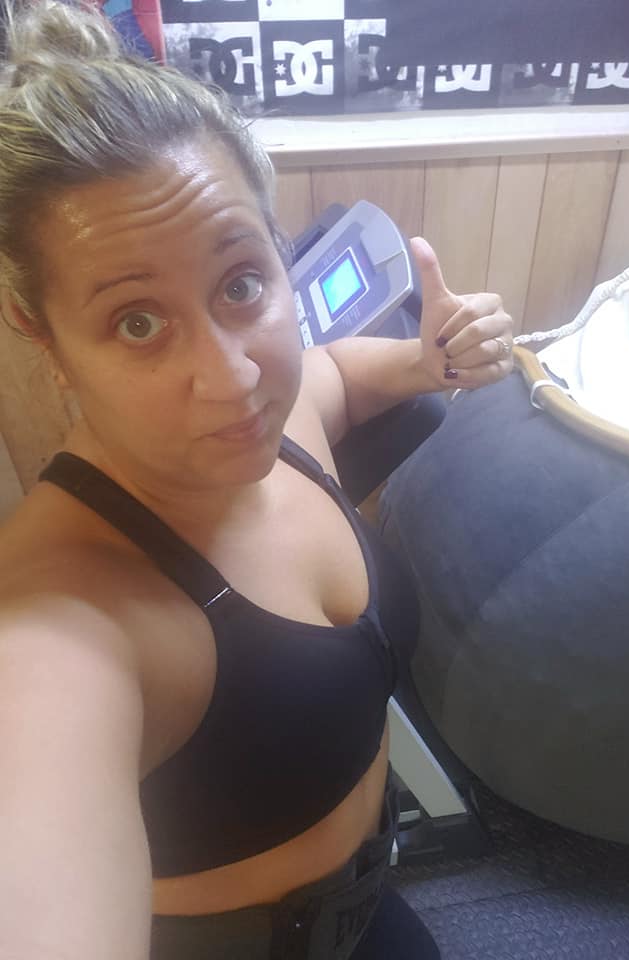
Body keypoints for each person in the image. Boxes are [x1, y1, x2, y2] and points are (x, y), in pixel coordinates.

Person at [0, 2, 513, 958]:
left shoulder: (287, 413)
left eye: (241, 284)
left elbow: (338, 374)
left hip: (374, 909)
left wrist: (425, 361)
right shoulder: (56, 627)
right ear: (47, 338)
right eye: (138, 323)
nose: (234, 378)